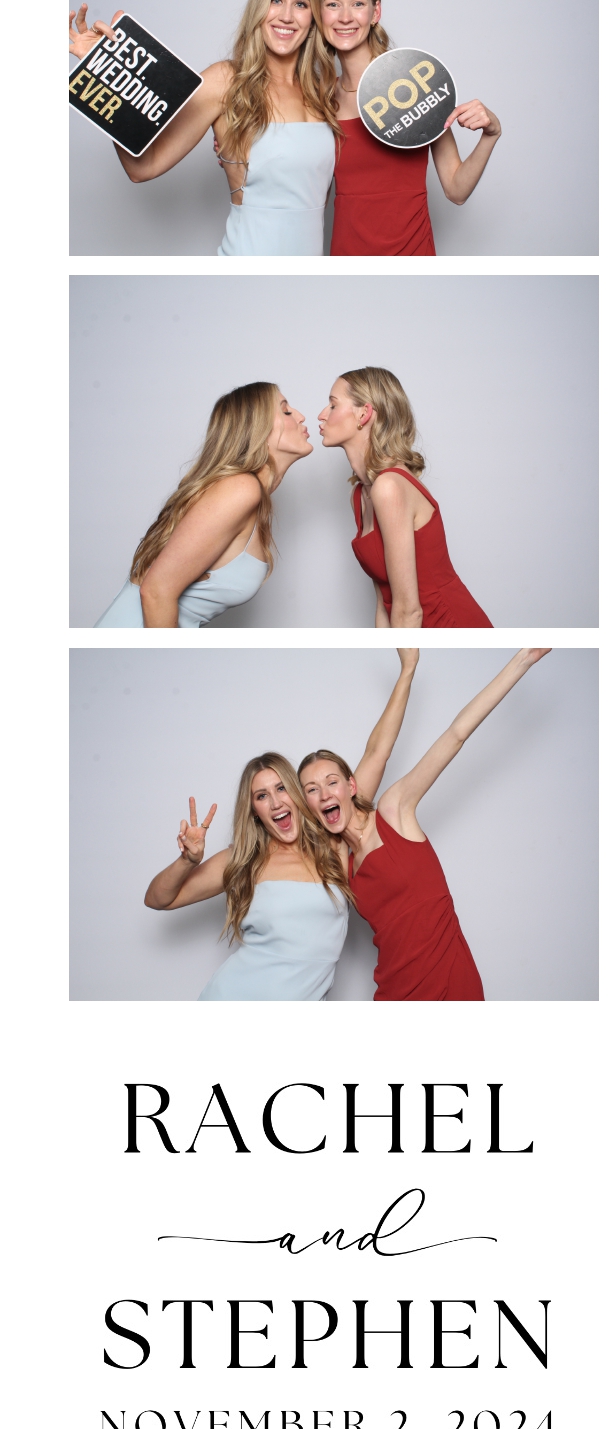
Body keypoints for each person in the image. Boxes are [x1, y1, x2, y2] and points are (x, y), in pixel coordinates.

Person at [144, 651, 418, 999]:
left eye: (281, 789)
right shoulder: (242, 860)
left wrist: (407, 671)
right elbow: (157, 900)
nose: (275, 803)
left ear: (298, 794)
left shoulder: (333, 843)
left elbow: (377, 752)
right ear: (254, 811)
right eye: (261, 796)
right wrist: (187, 861)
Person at [299, 649, 550, 1001]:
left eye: (331, 782)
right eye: (312, 789)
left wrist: (521, 660)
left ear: (351, 786)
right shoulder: (341, 864)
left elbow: (455, 734)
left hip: (451, 985)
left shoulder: (393, 811)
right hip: (395, 993)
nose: (324, 793)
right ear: (308, 805)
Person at [69, 0, 339, 256]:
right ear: (259, 9)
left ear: (314, 17)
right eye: (276, 0)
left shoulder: (324, 92)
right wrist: (104, 73)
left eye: (301, 4)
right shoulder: (226, 81)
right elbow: (142, 167)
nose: (286, 16)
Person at [319, 0, 502, 256]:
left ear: (375, 12)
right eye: (332, 4)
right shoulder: (318, 101)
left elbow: (456, 190)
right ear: (319, 14)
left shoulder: (414, 83)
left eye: (358, 3)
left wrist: (490, 135)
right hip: (347, 261)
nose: (345, 17)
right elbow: (311, 197)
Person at [95, 383, 310, 627]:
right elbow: (156, 591)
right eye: (286, 411)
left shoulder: (250, 495)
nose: (301, 416)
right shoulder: (241, 488)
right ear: (256, 429)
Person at [319, 367, 492, 627]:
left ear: (364, 413)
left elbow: (410, 610)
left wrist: (405, 655)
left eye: (333, 405)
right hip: (412, 635)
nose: (322, 415)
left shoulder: (388, 487)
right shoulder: (361, 495)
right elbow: (384, 600)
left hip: (451, 629)